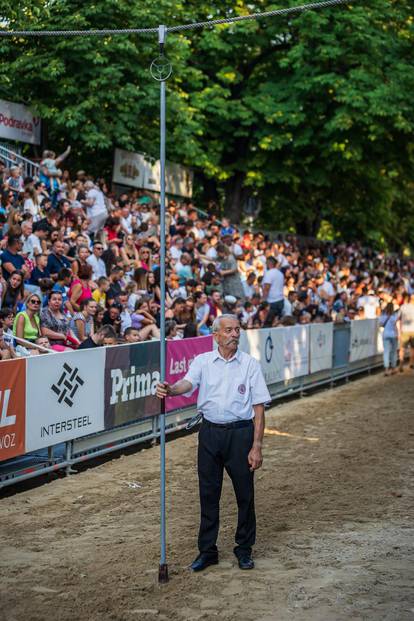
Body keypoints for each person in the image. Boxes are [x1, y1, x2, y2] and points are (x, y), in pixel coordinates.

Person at [156, 314, 270, 572]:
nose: (234, 334)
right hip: (209, 434)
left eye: (237, 330)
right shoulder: (203, 361)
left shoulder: (250, 364)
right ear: (216, 335)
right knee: (208, 494)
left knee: (245, 495)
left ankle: (244, 549)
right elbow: (186, 384)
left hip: (240, 435)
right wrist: (170, 389)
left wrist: (257, 445)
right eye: (229, 330)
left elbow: (259, 408)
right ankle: (207, 551)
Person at [379, 302, 400, 376]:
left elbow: (380, 324)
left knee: (386, 352)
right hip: (394, 334)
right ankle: (393, 368)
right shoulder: (395, 315)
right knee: (394, 352)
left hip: (385, 334)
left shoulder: (383, 315)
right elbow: (396, 326)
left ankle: (386, 370)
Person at [399, 293, 414, 371]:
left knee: (402, 348)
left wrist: (399, 330)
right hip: (413, 330)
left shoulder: (402, 307)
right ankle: (411, 364)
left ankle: (401, 365)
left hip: (404, 330)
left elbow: (399, 318)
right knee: (412, 348)